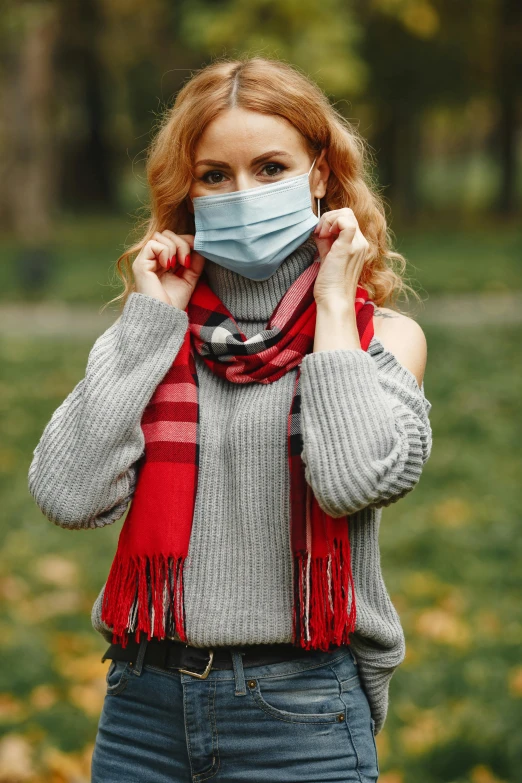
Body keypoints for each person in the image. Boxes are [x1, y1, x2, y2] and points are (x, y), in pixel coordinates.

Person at [28, 56, 432, 783]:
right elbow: (67, 494)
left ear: (319, 173)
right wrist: (151, 322)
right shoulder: (152, 333)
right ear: (189, 188)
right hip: (141, 713)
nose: (242, 192)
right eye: (216, 175)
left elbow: (346, 482)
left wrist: (335, 309)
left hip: (300, 716)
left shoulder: (382, 338)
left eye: (270, 166)